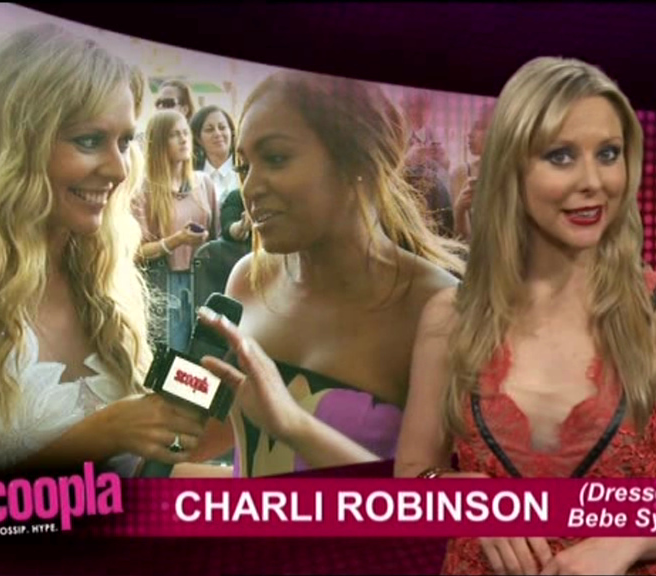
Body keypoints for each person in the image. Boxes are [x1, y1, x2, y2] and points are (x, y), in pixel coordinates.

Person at [394, 57, 656, 575]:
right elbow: (413, 480)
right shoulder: (451, 317)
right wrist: (471, 501)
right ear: (512, 169)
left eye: (609, 154)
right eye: (561, 156)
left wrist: (626, 541)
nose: (593, 181)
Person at [0, 24, 205, 550]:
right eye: (89, 140)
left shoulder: (103, 282)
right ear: (14, 143)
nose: (119, 169)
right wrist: (100, 436)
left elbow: (135, 480)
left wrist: (228, 413)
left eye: (125, 141)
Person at [187, 70, 465, 479]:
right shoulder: (248, 279)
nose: (250, 187)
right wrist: (170, 385)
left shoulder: (436, 309)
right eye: (244, 167)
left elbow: (436, 502)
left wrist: (294, 425)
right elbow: (209, 430)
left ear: (357, 161)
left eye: (276, 158)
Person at [134, 109, 218, 352]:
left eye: (185, 133)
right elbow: (137, 252)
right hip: (165, 285)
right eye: (174, 135)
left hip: (203, 283)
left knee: (203, 357)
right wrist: (178, 239)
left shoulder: (204, 183)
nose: (183, 139)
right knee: (171, 358)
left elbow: (218, 237)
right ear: (159, 142)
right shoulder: (143, 190)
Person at [450, 102, 493, 242]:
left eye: (479, 127)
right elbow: (462, 240)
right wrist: (460, 210)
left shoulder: (521, 175)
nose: (469, 134)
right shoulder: (461, 173)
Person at [190, 105, 241, 204]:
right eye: (209, 130)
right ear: (198, 138)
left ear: (232, 133)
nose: (217, 134)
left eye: (222, 128)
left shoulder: (244, 171)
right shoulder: (191, 177)